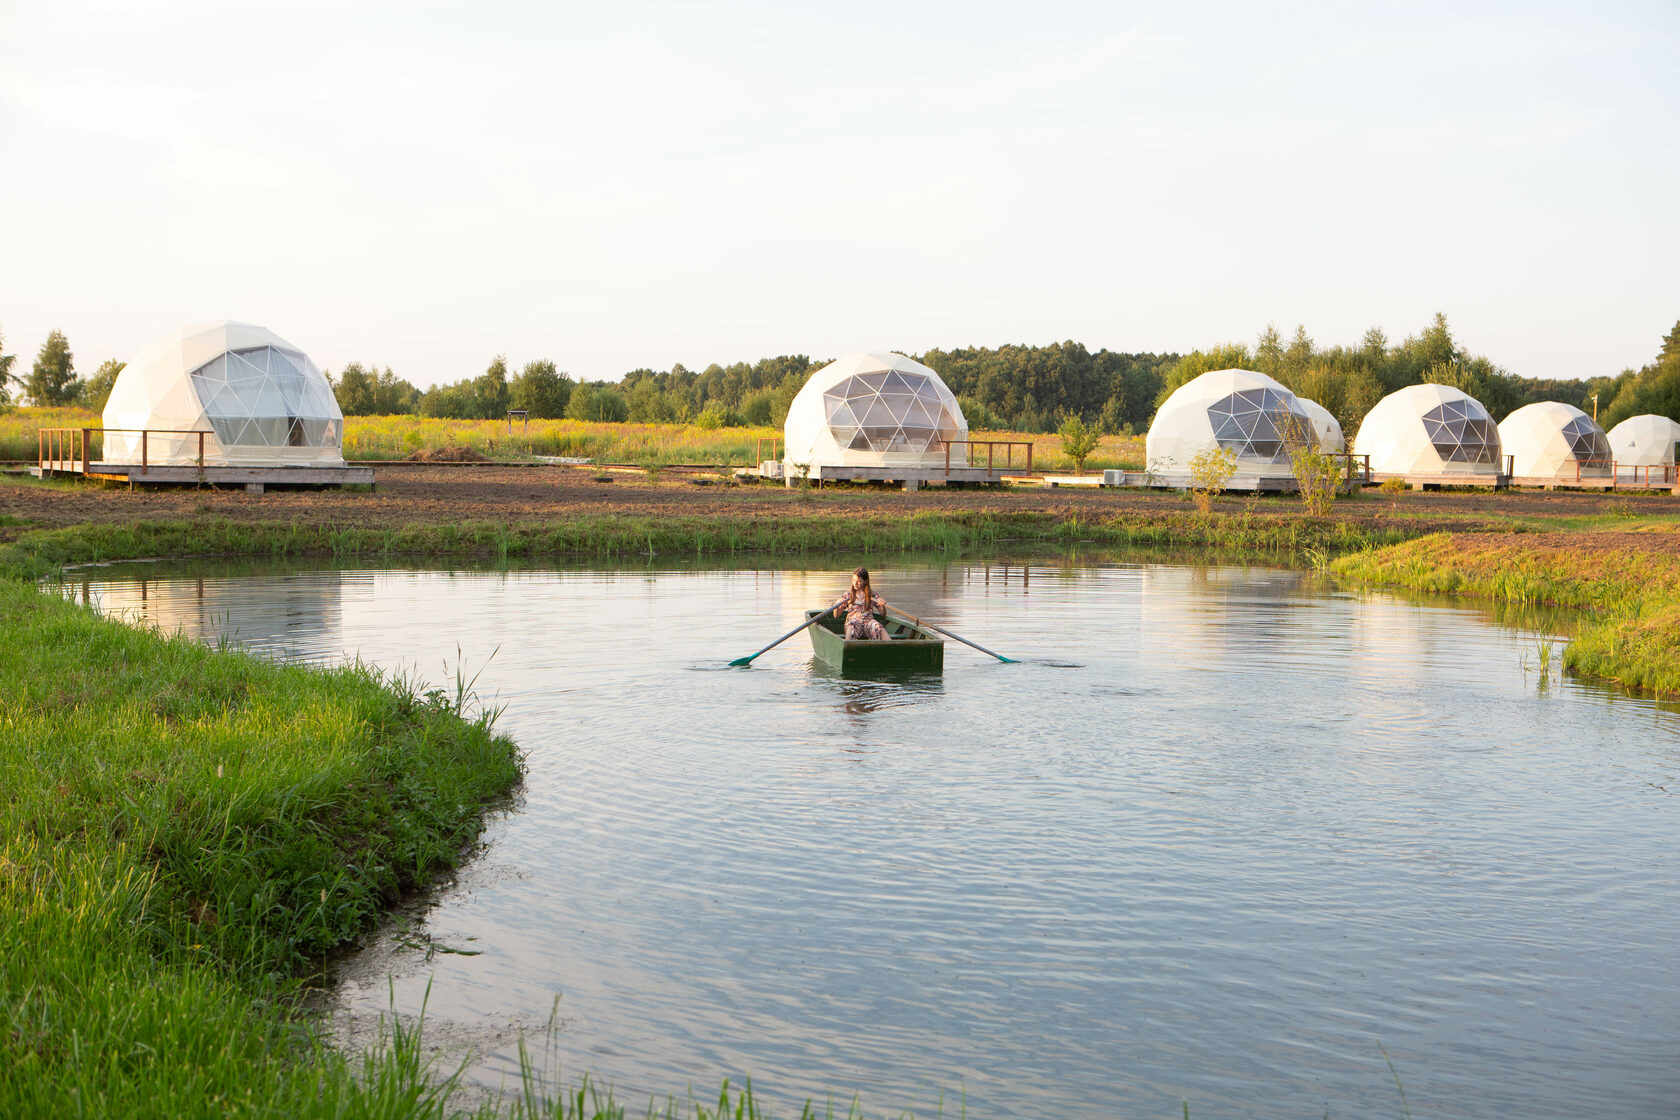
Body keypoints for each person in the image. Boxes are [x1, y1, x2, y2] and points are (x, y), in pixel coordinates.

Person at [833, 566, 889, 640]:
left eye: (859, 581)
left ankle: (892, 646)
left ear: (865, 581)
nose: (855, 583)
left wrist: (882, 605)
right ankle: (848, 645)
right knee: (851, 627)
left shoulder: (872, 595)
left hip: (868, 621)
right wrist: (837, 605)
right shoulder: (848, 595)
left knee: (878, 627)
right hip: (853, 622)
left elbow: (883, 614)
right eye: (853, 580)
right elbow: (836, 616)